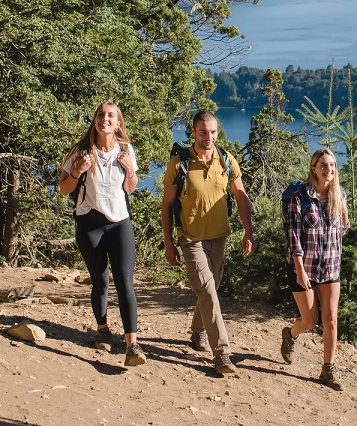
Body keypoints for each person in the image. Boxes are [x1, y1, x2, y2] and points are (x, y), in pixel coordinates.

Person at [160, 110, 254, 375]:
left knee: (210, 288)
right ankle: (222, 353)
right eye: (203, 132)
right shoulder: (179, 164)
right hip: (190, 239)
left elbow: (241, 195)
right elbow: (167, 206)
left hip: (219, 235)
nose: (208, 137)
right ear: (193, 132)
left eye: (213, 132)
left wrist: (248, 231)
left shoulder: (226, 160)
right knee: (208, 289)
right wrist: (169, 243)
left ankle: (198, 331)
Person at [58, 101, 146, 367]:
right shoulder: (80, 152)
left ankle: (132, 345)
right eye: (100, 115)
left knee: (125, 283)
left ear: (118, 123)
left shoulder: (126, 150)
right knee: (101, 281)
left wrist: (130, 170)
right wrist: (76, 172)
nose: (104, 119)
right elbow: (63, 189)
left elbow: (130, 187)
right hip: (90, 224)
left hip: (120, 223)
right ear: (95, 120)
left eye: (110, 116)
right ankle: (103, 328)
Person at [278, 147, 350, 391]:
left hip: (330, 266)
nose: (328, 169)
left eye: (332, 165)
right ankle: (291, 334)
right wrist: (299, 269)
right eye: (323, 165)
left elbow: (340, 231)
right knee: (310, 320)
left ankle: (328, 370)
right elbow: (293, 236)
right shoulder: (299, 196)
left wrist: (345, 216)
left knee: (330, 319)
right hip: (304, 267)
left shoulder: (339, 194)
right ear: (313, 168)